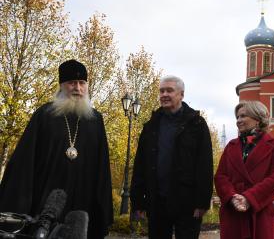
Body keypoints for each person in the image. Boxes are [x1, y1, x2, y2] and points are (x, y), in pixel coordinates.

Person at [0, 59, 113, 238]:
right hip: (45, 200)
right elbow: (24, 161)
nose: (77, 88)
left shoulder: (96, 120)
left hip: (83, 201)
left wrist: (102, 208)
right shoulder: (44, 115)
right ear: (62, 86)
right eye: (72, 83)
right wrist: (18, 204)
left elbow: (102, 166)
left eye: (82, 83)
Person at [130, 75, 213, 239]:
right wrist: (138, 200)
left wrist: (202, 202)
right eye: (161, 91)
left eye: (169, 90)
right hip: (157, 201)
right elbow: (140, 164)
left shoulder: (197, 125)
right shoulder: (151, 125)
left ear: (181, 94)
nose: (164, 94)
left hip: (187, 203)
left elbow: (205, 165)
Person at [214, 100, 274, 239]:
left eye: (243, 116)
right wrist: (231, 197)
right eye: (237, 117)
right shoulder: (231, 145)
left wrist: (249, 198)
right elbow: (221, 176)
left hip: (259, 212)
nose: (238, 121)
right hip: (233, 212)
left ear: (258, 119)